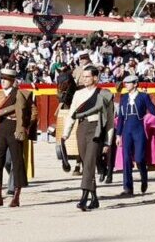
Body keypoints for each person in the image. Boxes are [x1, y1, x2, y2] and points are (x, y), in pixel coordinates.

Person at [62, 66, 114, 211]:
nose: (84, 79)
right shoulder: (78, 94)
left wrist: (108, 141)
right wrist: (66, 133)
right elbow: (72, 115)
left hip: (96, 130)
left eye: (87, 76)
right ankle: (94, 198)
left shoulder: (104, 94)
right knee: (87, 164)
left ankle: (84, 197)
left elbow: (110, 120)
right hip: (82, 129)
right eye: (83, 77)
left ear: (95, 78)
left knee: (90, 162)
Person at [0, 68, 38, 208]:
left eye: (5, 79)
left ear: (12, 81)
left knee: (17, 162)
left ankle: (16, 197)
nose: (2, 81)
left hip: (15, 128)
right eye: (1, 79)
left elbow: (34, 112)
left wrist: (24, 126)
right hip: (1, 128)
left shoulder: (22, 94)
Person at [113, 74, 155, 196]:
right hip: (126, 130)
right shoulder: (124, 97)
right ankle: (128, 187)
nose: (126, 85)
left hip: (139, 130)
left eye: (129, 83)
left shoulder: (143, 96)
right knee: (126, 159)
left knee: (139, 158)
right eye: (126, 83)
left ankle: (144, 178)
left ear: (135, 84)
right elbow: (121, 117)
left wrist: (148, 120)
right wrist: (118, 135)